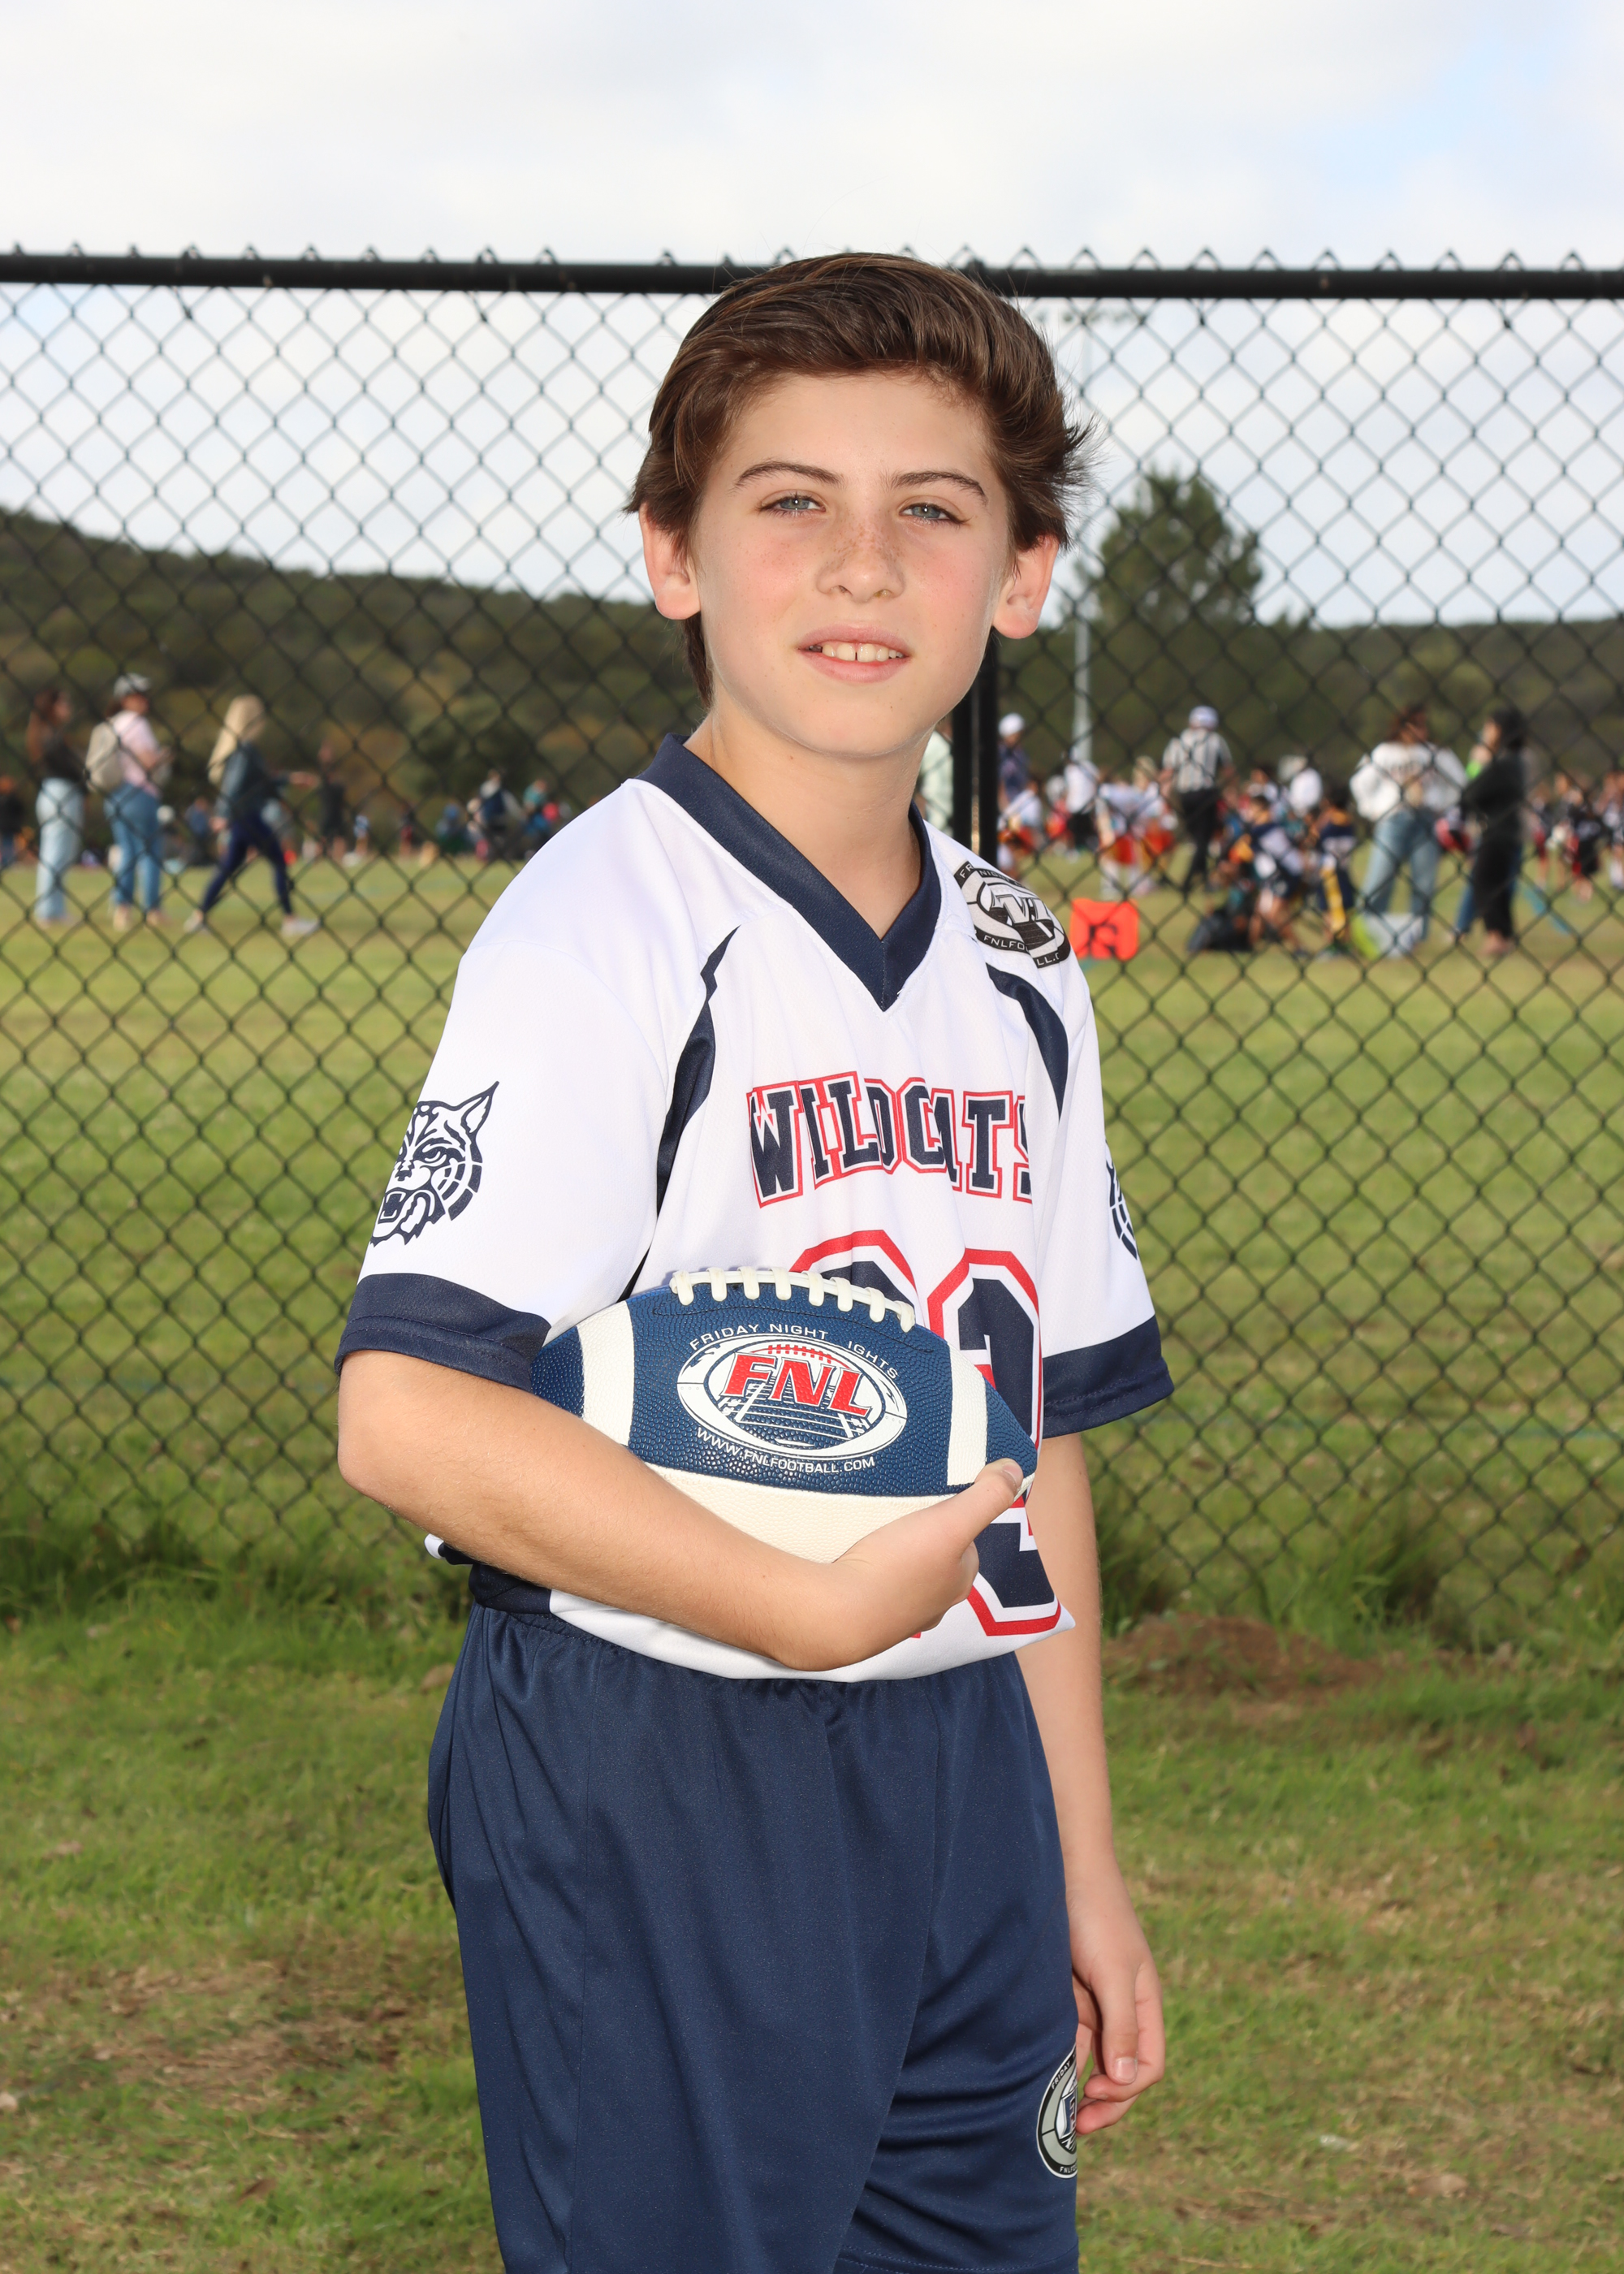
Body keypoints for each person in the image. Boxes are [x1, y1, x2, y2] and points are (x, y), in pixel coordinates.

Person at [335, 253, 1169, 2274]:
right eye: (790, 502)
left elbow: (1032, 1439)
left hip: (960, 1751)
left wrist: (1078, 1851)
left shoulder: (1021, 960)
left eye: (931, 510)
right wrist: (798, 1611)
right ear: (672, 556)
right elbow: (407, 1414)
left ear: (1023, 577)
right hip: (659, 1739)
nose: (861, 563)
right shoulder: (603, 926)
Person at [186, 696, 319, 940]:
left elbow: (261, 782)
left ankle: (198, 917)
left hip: (242, 818)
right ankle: (290, 920)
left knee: (228, 867)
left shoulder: (241, 749)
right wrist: (223, 814)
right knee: (279, 860)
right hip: (246, 817)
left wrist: (290, 779)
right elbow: (234, 786)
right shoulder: (245, 749)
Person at [1351, 704, 1466, 955]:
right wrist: (1373, 810)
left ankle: (1415, 938)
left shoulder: (1436, 753)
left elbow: (1459, 782)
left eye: (1423, 724)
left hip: (1425, 819)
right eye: (1414, 724)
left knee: (1424, 882)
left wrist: (1441, 805)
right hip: (1394, 818)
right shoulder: (1385, 752)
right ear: (1402, 726)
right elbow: (1360, 783)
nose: (1420, 730)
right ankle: (1366, 930)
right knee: (1380, 877)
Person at [1458, 705, 1527, 956]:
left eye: (1489, 726)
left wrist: (1478, 763)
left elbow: (1470, 793)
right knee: (1498, 884)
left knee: (1485, 883)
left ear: (1499, 730)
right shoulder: (1516, 760)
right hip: (1506, 831)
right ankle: (1503, 935)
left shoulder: (1503, 762)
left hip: (1495, 832)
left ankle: (1496, 935)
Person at [104, 673, 171, 931]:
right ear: (124, 699)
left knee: (127, 852)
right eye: (138, 695)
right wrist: (164, 756)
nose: (144, 700)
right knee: (150, 851)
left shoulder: (113, 724)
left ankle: (122, 908)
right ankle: (152, 909)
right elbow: (148, 762)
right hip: (139, 792)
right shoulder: (137, 724)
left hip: (115, 793)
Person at [28, 688, 84, 925]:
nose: (68, 707)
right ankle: (49, 910)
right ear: (53, 707)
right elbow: (70, 768)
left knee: (59, 852)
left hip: (56, 792)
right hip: (60, 792)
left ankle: (54, 909)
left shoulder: (50, 732)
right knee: (56, 852)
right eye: (64, 703)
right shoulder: (51, 735)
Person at [1163, 703, 1232, 893]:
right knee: (1203, 839)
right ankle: (1189, 881)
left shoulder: (1179, 740)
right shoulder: (1215, 740)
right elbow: (1227, 769)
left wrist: (1165, 794)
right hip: (1206, 794)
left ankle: (1202, 878)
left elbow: (1168, 771)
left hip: (1184, 795)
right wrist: (1230, 790)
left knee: (1198, 838)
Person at [0, 775, 25, 868]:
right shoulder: (7, 799)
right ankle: (7, 861)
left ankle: (8, 861)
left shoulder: (12, 799)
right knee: (7, 843)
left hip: (9, 826)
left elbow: (19, 811)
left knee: (9, 843)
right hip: (7, 825)